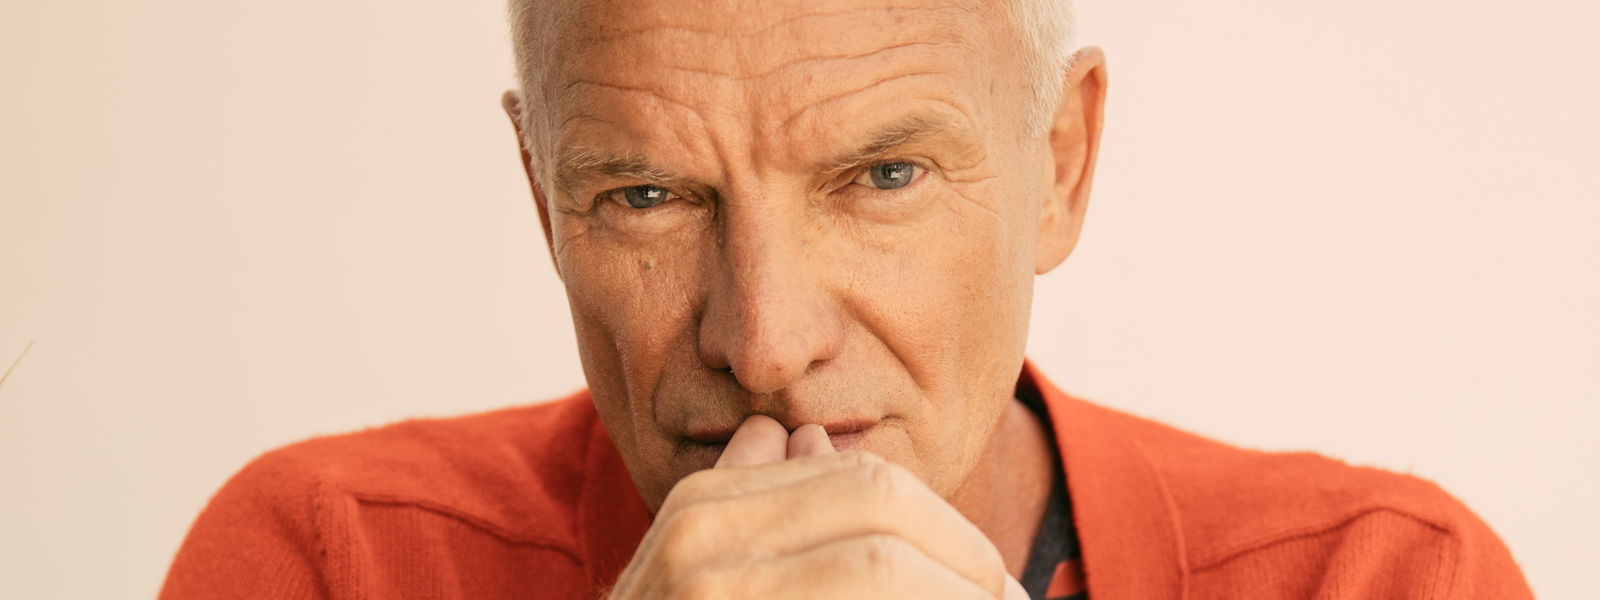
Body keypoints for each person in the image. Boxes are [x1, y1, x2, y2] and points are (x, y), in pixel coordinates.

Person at [161, 0, 1534, 598]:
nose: (764, 343)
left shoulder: (1384, 582)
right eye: (647, 194)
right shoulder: (329, 564)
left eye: (882, 176)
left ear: (1060, 166)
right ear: (541, 198)